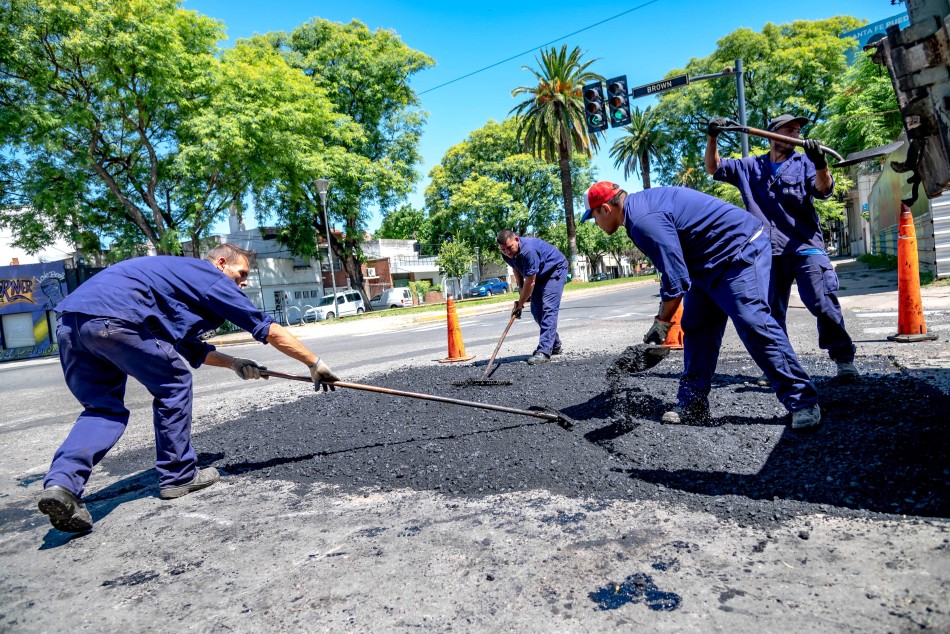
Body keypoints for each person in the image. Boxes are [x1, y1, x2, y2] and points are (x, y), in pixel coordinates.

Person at [37, 244, 340, 533]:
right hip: (116, 319)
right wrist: (314, 362)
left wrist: (234, 363)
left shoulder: (175, 279)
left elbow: (190, 347)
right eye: (242, 274)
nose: (244, 283)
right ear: (221, 263)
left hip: (72, 325)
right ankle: (178, 475)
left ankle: (62, 485)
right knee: (174, 383)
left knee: (102, 409)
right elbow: (266, 328)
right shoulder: (207, 275)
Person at [581, 181, 822, 430]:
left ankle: (802, 401)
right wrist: (664, 317)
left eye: (594, 217)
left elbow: (675, 281)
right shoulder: (638, 214)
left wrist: (662, 322)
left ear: (606, 209)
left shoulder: (643, 220)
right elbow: (674, 272)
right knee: (696, 326)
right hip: (705, 262)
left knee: (752, 320)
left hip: (738, 249)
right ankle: (693, 403)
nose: (596, 225)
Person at [705, 113, 858, 385]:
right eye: (790, 129)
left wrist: (821, 163)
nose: (796, 134)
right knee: (771, 314)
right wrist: (713, 136)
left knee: (823, 302)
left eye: (798, 131)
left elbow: (824, 189)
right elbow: (713, 168)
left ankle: (844, 360)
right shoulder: (750, 166)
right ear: (774, 133)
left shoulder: (805, 162)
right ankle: (779, 368)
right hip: (767, 252)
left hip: (804, 247)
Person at [496, 229, 569, 365]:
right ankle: (554, 344)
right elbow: (515, 267)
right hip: (538, 273)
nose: (507, 252)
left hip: (554, 270)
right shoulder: (507, 254)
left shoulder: (528, 250)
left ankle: (544, 350)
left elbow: (530, 281)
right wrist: (520, 289)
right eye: (503, 249)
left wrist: (520, 304)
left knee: (548, 308)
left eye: (509, 248)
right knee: (536, 310)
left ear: (516, 240)